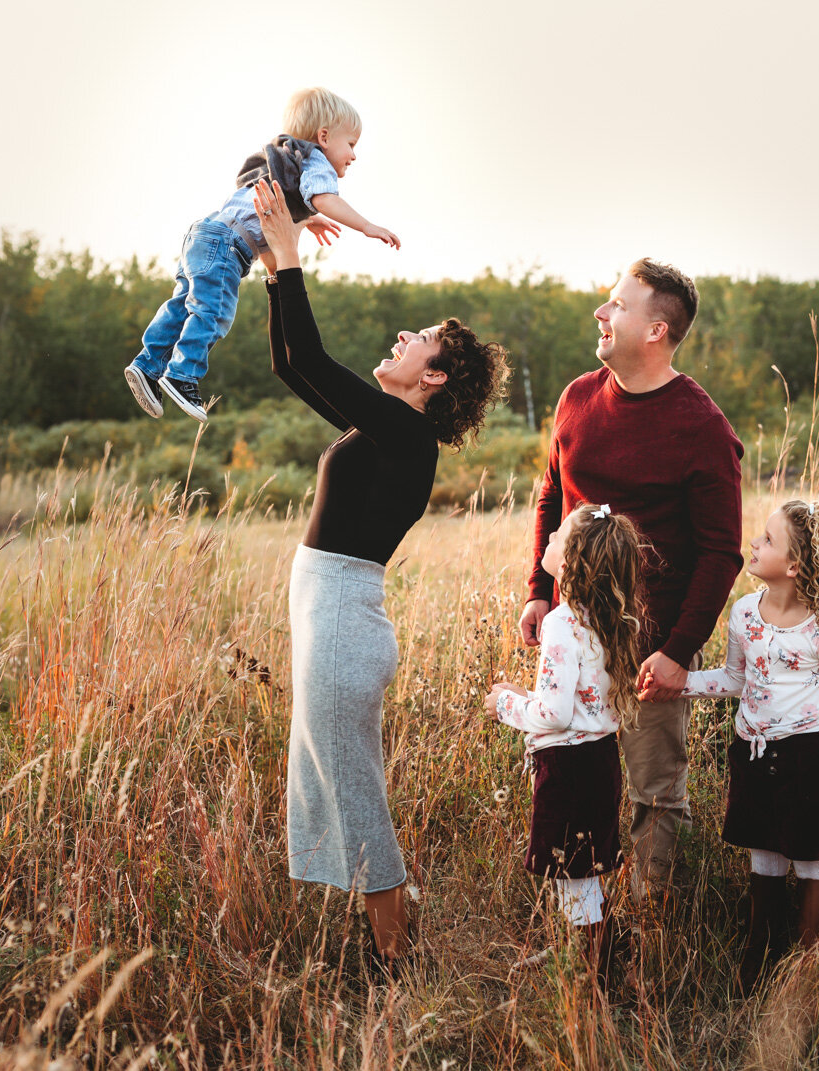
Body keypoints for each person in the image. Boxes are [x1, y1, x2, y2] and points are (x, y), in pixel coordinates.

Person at [252, 178, 508, 972]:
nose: (405, 334)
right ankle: (393, 944)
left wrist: (292, 256)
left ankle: (398, 969)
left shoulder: (407, 436)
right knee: (346, 789)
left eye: (421, 338)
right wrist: (272, 270)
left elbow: (315, 358)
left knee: (358, 799)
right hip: (331, 622)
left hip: (341, 628)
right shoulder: (389, 430)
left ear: (432, 379)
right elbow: (296, 367)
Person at [518, 259, 743, 906]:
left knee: (653, 793)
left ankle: (651, 930)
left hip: (651, 647)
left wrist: (676, 653)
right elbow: (551, 494)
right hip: (572, 642)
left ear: (656, 329)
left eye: (617, 304)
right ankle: (586, 925)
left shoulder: (701, 427)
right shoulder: (577, 396)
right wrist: (539, 589)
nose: (601, 312)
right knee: (570, 778)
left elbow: (720, 552)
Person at [124, 87, 401, 423]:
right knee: (215, 311)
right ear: (324, 136)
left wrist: (308, 218)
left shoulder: (284, 156)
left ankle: (147, 367)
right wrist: (367, 226)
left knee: (183, 307)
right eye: (352, 144)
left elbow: (281, 198)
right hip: (228, 245)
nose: (353, 155)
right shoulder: (315, 159)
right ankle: (183, 376)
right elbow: (324, 197)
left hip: (205, 233)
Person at [681, 500, 819, 994]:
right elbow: (735, 679)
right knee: (763, 853)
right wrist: (680, 683)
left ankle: (815, 971)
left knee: (810, 859)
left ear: (794, 566)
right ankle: (758, 956)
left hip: (809, 759)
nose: (753, 544)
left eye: (766, 539)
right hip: (754, 753)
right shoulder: (744, 613)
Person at [485, 503, 648, 976]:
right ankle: (593, 950)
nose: (548, 539)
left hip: (568, 767)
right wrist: (527, 694)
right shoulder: (605, 616)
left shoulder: (560, 623)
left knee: (573, 878)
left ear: (571, 561)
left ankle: (594, 973)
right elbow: (579, 701)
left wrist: (506, 706)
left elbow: (554, 715)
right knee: (580, 873)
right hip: (598, 761)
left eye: (556, 536)